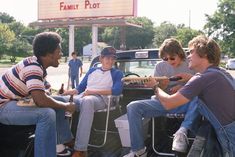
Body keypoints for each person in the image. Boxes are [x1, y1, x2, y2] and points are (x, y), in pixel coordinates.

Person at [149, 35, 235, 156]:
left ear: (204, 53)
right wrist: (190, 78)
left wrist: (155, 86)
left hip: (230, 133)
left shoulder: (202, 79)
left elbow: (168, 103)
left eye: (191, 52)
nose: (188, 56)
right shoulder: (221, 72)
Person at [0, 32, 76, 157]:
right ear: (49, 53)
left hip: (16, 102)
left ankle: (61, 145)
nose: (61, 55)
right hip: (4, 107)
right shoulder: (33, 67)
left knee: (59, 100)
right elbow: (41, 101)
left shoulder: (38, 66)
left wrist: (63, 102)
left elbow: (45, 94)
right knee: (47, 114)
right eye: (59, 51)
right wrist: (66, 106)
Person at [123, 38, 200, 157]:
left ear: (180, 54)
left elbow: (200, 85)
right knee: (132, 107)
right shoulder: (160, 66)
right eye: (165, 58)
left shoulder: (191, 64)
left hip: (185, 103)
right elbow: (158, 90)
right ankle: (138, 150)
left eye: (172, 58)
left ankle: (183, 131)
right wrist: (158, 86)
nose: (169, 61)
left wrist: (183, 87)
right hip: (164, 102)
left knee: (199, 97)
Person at [55, 46, 123, 157]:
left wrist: (92, 91)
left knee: (87, 101)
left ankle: (81, 149)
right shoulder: (92, 71)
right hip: (83, 96)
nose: (110, 61)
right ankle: (66, 138)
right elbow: (80, 88)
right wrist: (65, 92)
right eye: (107, 58)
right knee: (57, 99)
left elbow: (116, 90)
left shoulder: (117, 73)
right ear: (101, 58)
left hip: (102, 99)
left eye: (113, 58)